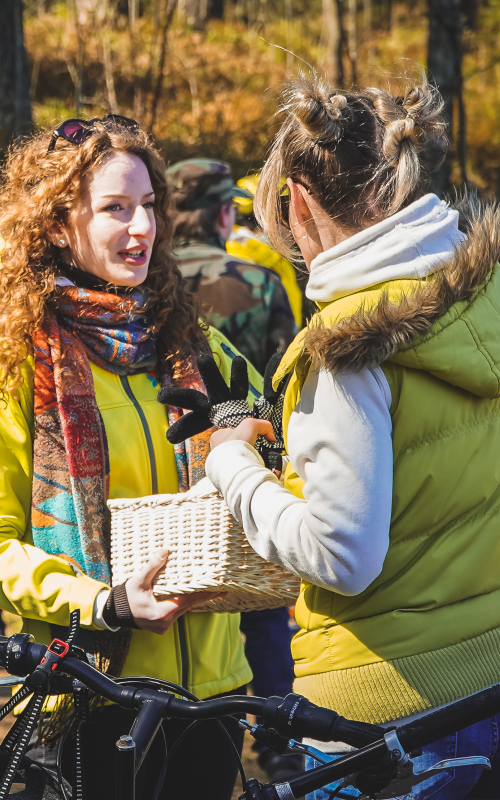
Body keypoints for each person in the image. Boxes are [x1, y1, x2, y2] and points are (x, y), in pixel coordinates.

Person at [205, 76, 500, 799]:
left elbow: (341, 555)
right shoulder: (487, 290)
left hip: (390, 719)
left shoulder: (346, 348)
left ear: (297, 196)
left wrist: (233, 467)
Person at [0, 115, 253, 800]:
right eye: (114, 208)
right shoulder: (8, 369)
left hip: (215, 701)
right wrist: (101, 601)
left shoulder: (201, 354)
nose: (140, 228)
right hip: (89, 701)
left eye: (147, 207)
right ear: (55, 224)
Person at [166, 158, 302, 780]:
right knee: (266, 612)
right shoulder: (259, 282)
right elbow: (286, 392)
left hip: (163, 488)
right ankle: (277, 738)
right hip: (245, 463)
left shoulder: (144, 288)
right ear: (225, 214)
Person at [168, 158, 297, 369]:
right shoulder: (262, 284)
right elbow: (286, 379)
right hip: (247, 401)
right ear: (223, 215)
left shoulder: (140, 280)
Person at [226, 173, 310, 329]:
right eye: (287, 212)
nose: (297, 221)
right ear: (265, 218)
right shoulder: (239, 257)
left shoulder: (270, 257)